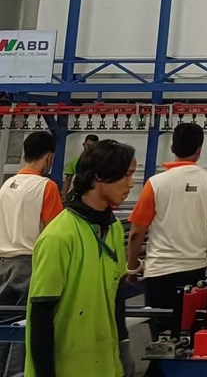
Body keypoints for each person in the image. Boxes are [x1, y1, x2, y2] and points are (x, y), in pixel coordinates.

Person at [27, 139, 136, 377]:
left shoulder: (114, 229)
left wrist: (123, 345)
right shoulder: (59, 236)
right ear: (99, 175)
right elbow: (41, 316)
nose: (131, 184)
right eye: (126, 175)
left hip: (105, 366)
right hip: (67, 367)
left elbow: (117, 295)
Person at [126, 123, 207, 335]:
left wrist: (132, 268)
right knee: (191, 333)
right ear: (199, 150)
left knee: (161, 337)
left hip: (159, 272)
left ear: (172, 148)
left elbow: (136, 233)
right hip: (195, 270)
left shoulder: (155, 183)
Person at [0, 132, 63, 377]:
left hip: (3, 263)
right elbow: (53, 233)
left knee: (4, 327)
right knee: (25, 327)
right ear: (49, 158)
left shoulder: (7, 185)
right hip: (29, 264)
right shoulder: (46, 187)